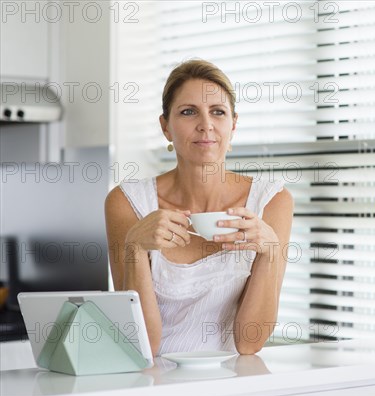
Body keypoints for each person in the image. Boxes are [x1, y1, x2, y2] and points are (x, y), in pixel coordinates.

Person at [104, 59, 294, 356]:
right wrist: (134, 249)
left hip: (234, 382)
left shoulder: (271, 202)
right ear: (166, 127)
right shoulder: (127, 202)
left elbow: (249, 342)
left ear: (233, 125)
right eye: (188, 112)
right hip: (153, 383)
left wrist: (270, 251)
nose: (205, 124)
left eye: (218, 112)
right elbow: (145, 345)